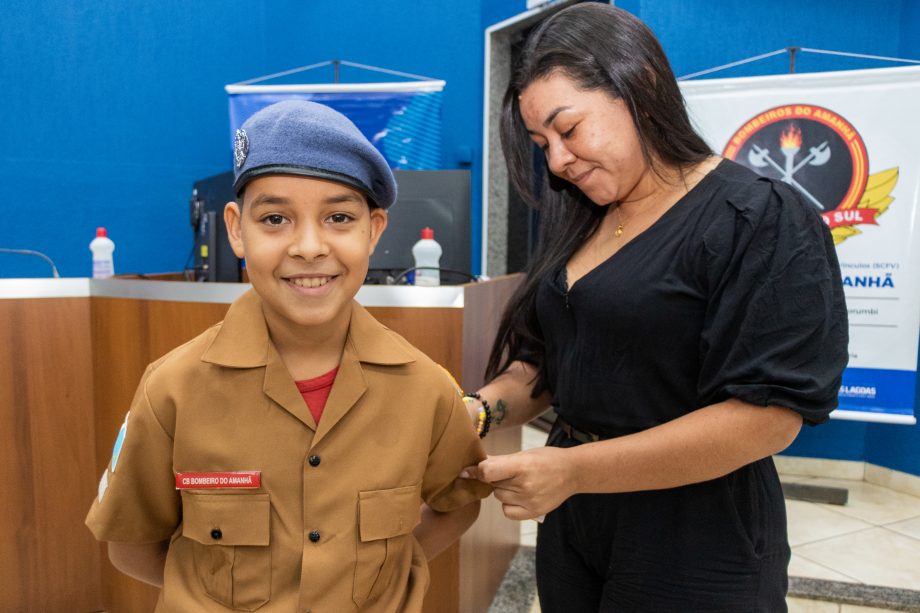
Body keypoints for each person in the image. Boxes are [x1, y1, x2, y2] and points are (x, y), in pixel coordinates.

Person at [460, 4, 848, 612]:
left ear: (638, 85)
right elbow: (547, 362)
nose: (557, 161)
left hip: (696, 531)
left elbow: (767, 419)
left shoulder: (758, 218)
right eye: (542, 144)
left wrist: (575, 470)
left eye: (569, 129)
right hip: (577, 523)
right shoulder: (579, 218)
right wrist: (476, 413)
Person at [86, 99, 491, 612]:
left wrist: (390, 578)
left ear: (375, 229)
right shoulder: (173, 389)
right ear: (236, 229)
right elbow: (129, 545)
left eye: (339, 217)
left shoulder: (426, 389)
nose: (308, 246)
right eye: (275, 218)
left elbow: (457, 506)